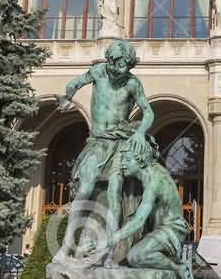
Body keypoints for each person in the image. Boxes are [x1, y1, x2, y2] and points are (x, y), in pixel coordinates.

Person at [58, 39, 153, 257]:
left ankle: (109, 248)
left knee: (114, 191)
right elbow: (73, 83)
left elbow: (148, 112)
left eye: (126, 67)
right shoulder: (97, 72)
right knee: (84, 190)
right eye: (117, 65)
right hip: (97, 141)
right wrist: (67, 98)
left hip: (119, 141)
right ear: (109, 60)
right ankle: (67, 245)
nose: (121, 71)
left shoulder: (132, 83)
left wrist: (139, 132)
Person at [103, 138, 196, 279]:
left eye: (127, 160)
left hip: (171, 229)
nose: (122, 164)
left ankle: (180, 269)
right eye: (122, 159)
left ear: (141, 160)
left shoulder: (154, 180)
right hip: (158, 229)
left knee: (135, 257)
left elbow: (138, 221)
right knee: (129, 256)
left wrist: (109, 240)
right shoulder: (148, 173)